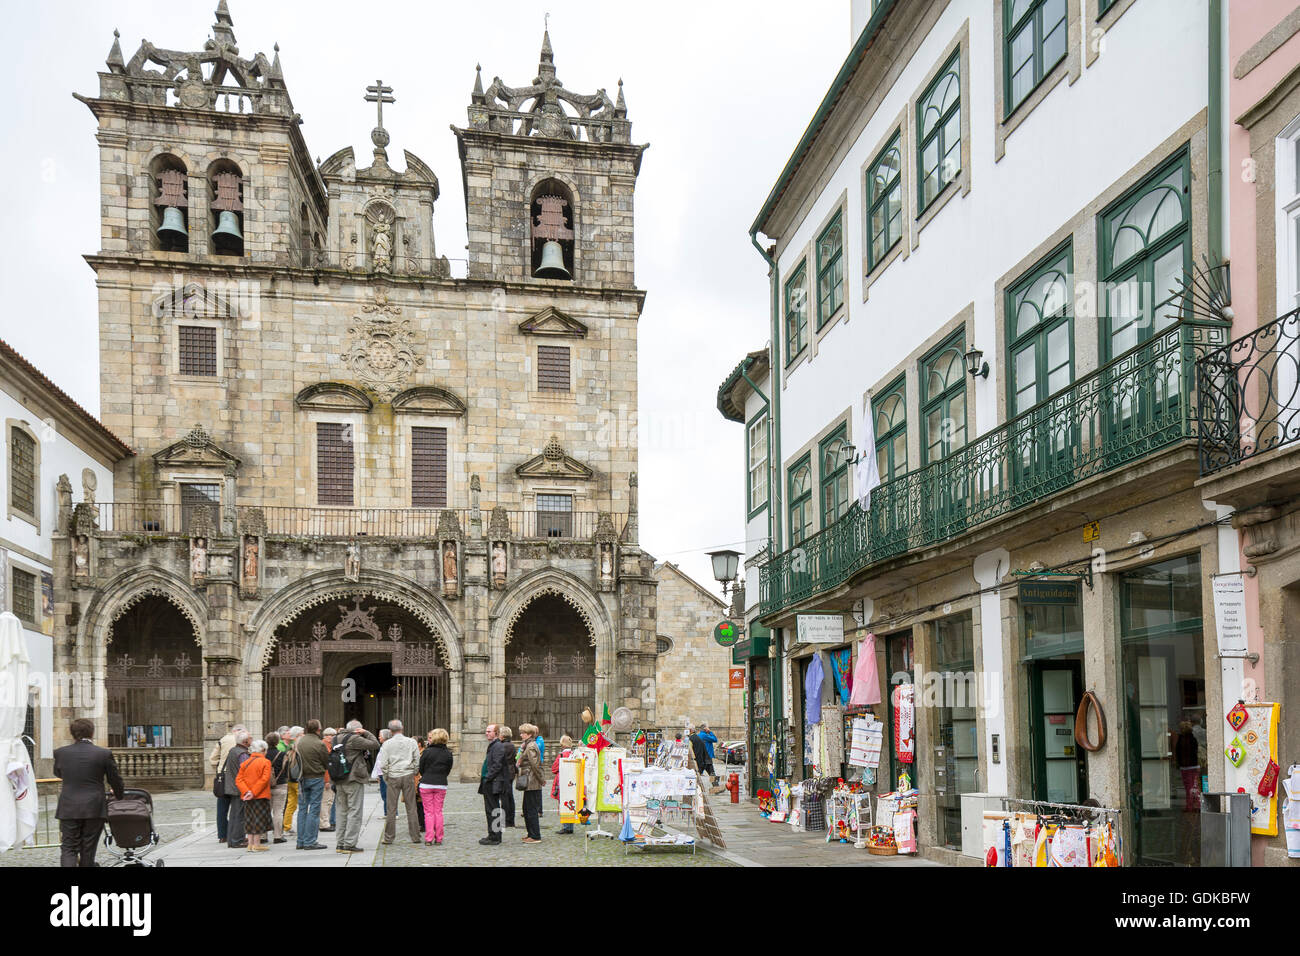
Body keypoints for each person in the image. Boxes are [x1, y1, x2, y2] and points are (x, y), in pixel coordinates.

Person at [53, 718, 124, 867]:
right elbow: (114, 779)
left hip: (69, 806)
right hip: (94, 806)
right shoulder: (103, 753)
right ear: (92, 733)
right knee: (88, 848)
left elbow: (58, 773)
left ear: (72, 734)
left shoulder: (60, 753)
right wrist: (119, 795)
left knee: (68, 848)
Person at [333, 719, 380, 853]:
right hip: (353, 778)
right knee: (355, 811)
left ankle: (340, 843)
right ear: (358, 730)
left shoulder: (335, 738)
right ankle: (349, 844)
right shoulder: (354, 739)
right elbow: (375, 744)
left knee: (341, 811)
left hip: (339, 778)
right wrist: (366, 732)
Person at [377, 719, 421, 845]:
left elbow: (383, 763)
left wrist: (386, 776)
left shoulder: (387, 744)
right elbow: (417, 759)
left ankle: (389, 837)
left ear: (390, 731)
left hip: (393, 775)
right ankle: (415, 836)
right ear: (402, 728)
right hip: (407, 774)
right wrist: (414, 772)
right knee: (411, 807)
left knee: (391, 808)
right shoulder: (411, 742)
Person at [294, 719, 329, 850]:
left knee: (302, 809)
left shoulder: (300, 742)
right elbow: (326, 762)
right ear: (318, 730)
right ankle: (310, 841)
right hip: (316, 777)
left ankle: (301, 841)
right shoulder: (319, 744)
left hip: (302, 777)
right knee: (314, 809)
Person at [208, 722, 245, 844]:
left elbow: (212, 759)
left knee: (222, 808)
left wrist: (219, 766)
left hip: (222, 777)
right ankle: (236, 833)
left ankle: (222, 835)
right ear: (239, 731)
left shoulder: (223, 740)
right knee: (237, 808)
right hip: (236, 777)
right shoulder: (242, 741)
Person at [236, 739, 273, 852]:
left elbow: (238, 780)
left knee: (250, 819)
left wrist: (247, 791)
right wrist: (253, 792)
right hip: (260, 795)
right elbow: (264, 779)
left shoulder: (245, 763)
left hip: (247, 796)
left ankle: (250, 844)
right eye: (265, 750)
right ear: (262, 750)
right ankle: (256, 844)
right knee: (259, 820)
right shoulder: (265, 762)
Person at [419, 728, 454, 845]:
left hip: (426, 783)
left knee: (428, 812)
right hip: (441, 783)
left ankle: (429, 838)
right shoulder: (448, 753)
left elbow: (421, 768)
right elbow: (448, 769)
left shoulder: (427, 752)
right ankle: (439, 838)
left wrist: (427, 775)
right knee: (438, 811)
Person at [221, 730, 252, 849]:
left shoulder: (233, 750)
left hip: (233, 786)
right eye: (250, 738)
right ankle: (237, 840)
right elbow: (246, 771)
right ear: (245, 741)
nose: (251, 740)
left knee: (234, 814)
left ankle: (232, 839)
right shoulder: (242, 754)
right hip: (240, 788)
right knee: (239, 815)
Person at [478, 723, 507, 845]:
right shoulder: (493, 746)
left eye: (489, 731)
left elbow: (497, 765)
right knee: (490, 809)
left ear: (496, 733)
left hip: (493, 782)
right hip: (490, 781)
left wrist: (488, 777)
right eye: (486, 731)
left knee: (494, 810)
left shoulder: (498, 746)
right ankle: (492, 834)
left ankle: (495, 837)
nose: (487, 733)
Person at [517, 723, 545, 844]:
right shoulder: (527, 745)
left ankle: (535, 835)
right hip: (530, 781)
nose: (521, 735)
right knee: (527, 809)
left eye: (523, 733)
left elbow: (535, 765)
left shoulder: (531, 746)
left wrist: (541, 779)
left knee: (531, 809)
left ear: (529, 734)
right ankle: (531, 833)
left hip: (532, 781)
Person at [266, 731, 290, 844]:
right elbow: (287, 770)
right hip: (280, 785)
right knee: (278, 811)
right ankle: (277, 836)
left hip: (266, 787)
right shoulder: (282, 754)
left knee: (266, 811)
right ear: (277, 742)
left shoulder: (263, 754)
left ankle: (262, 836)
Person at [550, 735, 575, 834]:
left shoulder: (561, 755)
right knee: (571, 803)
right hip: (572, 781)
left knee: (563, 804)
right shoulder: (574, 754)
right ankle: (570, 826)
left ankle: (566, 826)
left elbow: (554, 769)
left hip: (562, 782)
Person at [282, 725, 302, 835]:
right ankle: (302, 825)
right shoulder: (299, 746)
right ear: (298, 735)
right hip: (298, 780)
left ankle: (286, 827)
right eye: (302, 733)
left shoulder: (289, 747)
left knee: (291, 804)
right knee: (303, 804)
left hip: (290, 779)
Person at [498, 725, 517, 828]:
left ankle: (507, 820)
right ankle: (510, 819)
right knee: (509, 796)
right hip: (510, 772)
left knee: (505, 797)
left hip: (506, 773)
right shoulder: (510, 745)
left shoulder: (504, 746)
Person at [319, 727, 337, 832]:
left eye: (333, 735)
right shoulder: (324, 747)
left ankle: (327, 822)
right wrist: (326, 780)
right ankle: (324, 824)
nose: (331, 737)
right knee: (325, 801)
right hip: (327, 778)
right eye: (329, 735)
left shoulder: (331, 746)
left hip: (331, 777)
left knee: (329, 801)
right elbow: (325, 765)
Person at [373, 728, 392, 814]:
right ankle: (386, 813)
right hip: (382, 774)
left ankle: (391, 813)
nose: (379, 737)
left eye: (380, 735)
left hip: (386, 774)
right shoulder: (384, 746)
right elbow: (378, 762)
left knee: (387, 794)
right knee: (384, 794)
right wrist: (377, 774)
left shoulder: (388, 746)